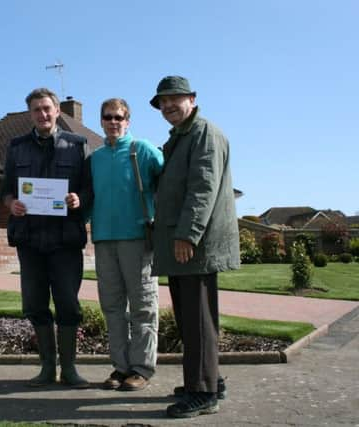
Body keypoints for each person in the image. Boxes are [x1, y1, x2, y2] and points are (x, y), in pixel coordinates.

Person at [149, 76, 240, 418]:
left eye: (174, 99)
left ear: (192, 98)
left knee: (197, 320)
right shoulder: (181, 137)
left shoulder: (203, 133)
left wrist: (188, 234)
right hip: (184, 243)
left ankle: (203, 393)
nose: (168, 106)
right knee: (192, 319)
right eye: (162, 102)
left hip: (193, 245)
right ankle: (209, 380)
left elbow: (203, 187)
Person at [0, 87, 92, 388]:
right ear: (31, 114)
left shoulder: (78, 146)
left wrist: (79, 199)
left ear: (57, 111)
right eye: (36, 110)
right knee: (35, 304)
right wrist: (11, 203)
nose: (42, 114)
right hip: (30, 240)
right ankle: (46, 368)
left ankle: (69, 369)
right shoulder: (16, 147)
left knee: (68, 304)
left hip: (65, 241)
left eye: (47, 108)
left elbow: (90, 189)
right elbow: (5, 192)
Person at [89, 98, 163, 391]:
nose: (113, 122)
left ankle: (141, 368)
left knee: (143, 307)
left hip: (137, 240)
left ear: (128, 121)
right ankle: (120, 368)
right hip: (104, 240)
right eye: (108, 117)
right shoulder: (95, 158)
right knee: (113, 308)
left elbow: (168, 182)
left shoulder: (143, 150)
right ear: (101, 121)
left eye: (119, 117)